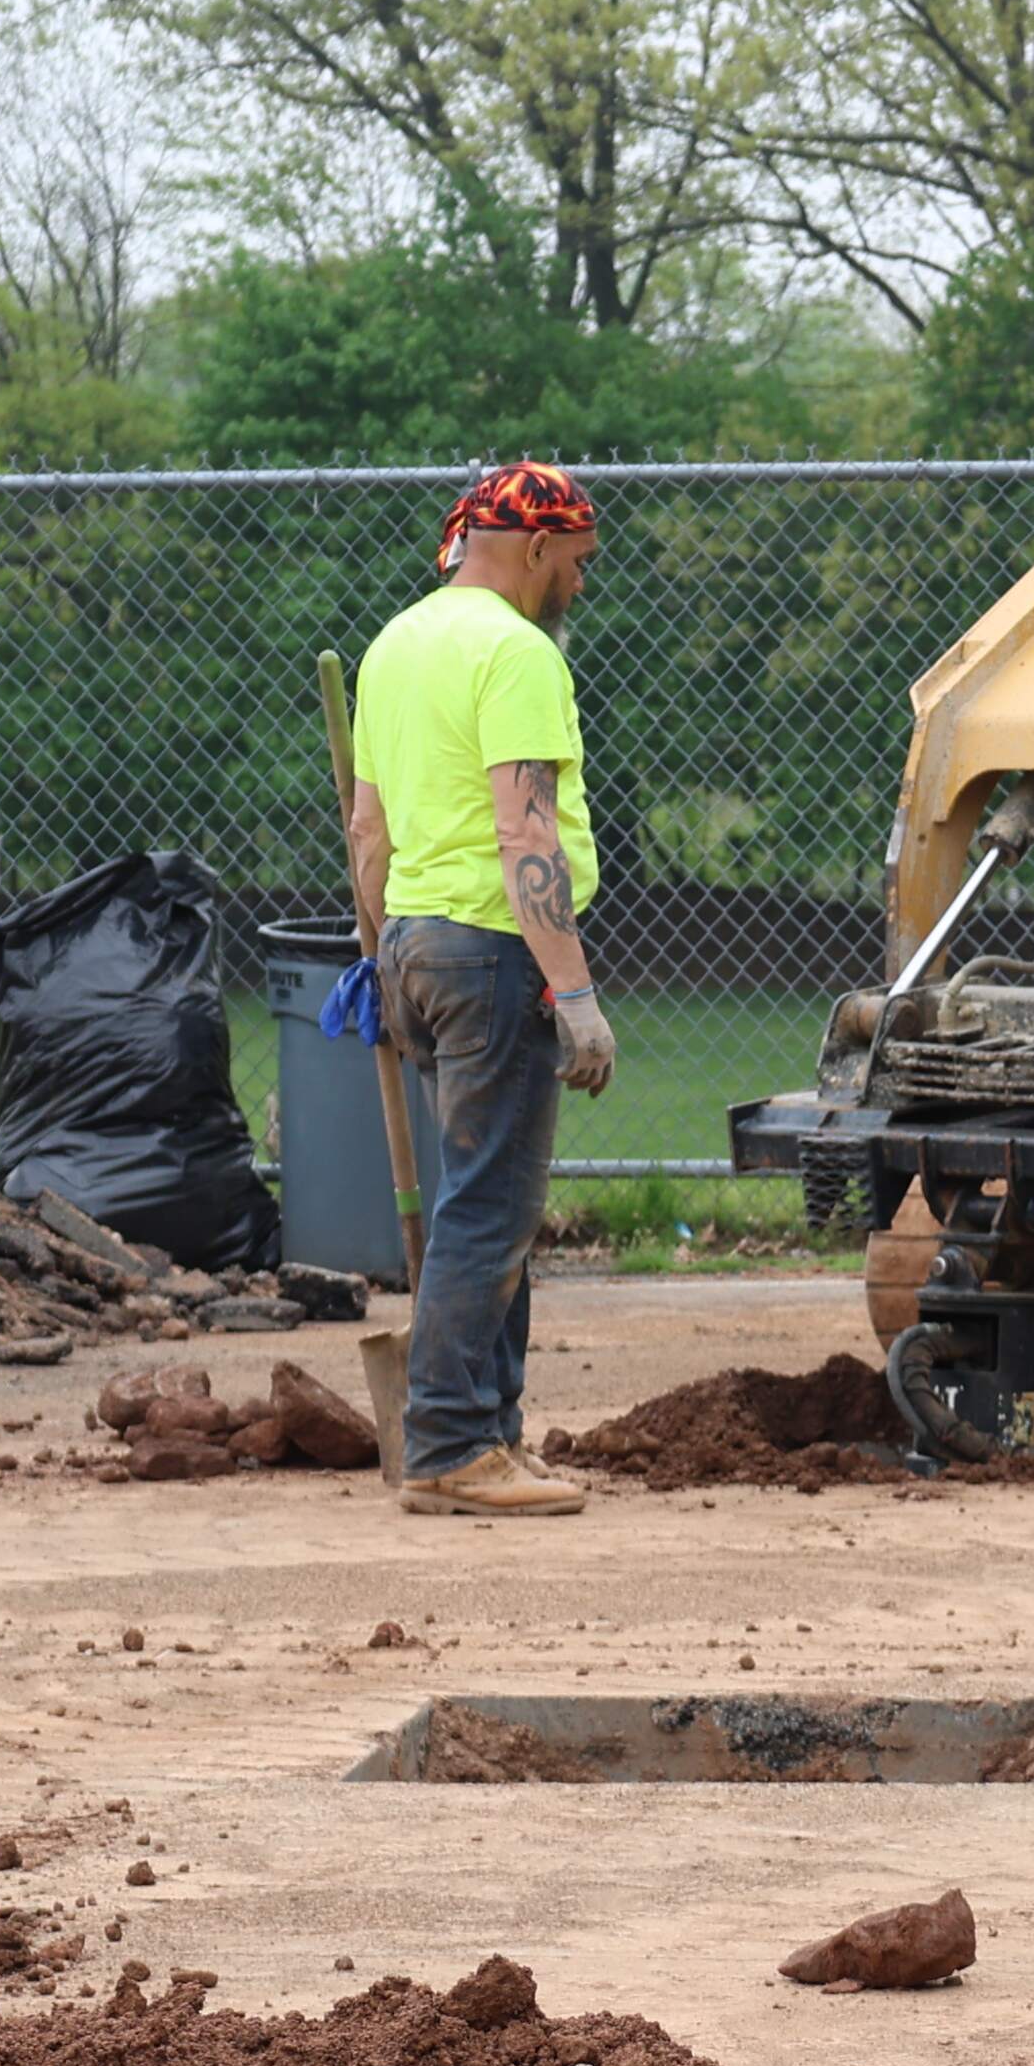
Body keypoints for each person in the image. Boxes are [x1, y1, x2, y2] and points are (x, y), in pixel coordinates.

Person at [342, 458, 622, 1514]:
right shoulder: (517, 652)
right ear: (537, 547)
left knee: (481, 1198)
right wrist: (576, 992)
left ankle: (493, 1429)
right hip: (492, 949)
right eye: (578, 564)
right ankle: (454, 1446)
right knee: (489, 1207)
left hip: (415, 942)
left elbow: (367, 827)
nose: (580, 588)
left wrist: (380, 952)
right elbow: (525, 827)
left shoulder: (397, 642)